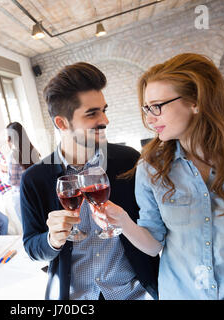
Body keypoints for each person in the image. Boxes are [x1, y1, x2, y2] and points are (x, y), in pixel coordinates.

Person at [97, 53, 224, 299]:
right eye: (147, 108)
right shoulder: (151, 169)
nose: (150, 119)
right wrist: (123, 221)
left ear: (196, 102)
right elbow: (153, 246)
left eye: (157, 107)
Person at [20, 62, 159, 300]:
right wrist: (52, 239)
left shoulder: (129, 161)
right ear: (62, 123)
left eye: (104, 109)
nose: (105, 119)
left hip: (133, 292)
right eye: (92, 113)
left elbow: (151, 230)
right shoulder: (34, 179)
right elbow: (33, 249)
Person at [6, 122, 41, 223]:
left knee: (28, 226)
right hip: (36, 191)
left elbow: (13, 181)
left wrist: (5, 177)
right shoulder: (33, 150)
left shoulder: (13, 155)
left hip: (21, 195)